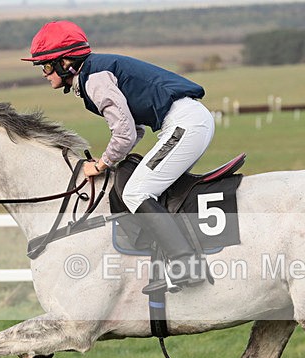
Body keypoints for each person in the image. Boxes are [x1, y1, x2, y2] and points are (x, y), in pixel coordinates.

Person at [23, 20, 214, 293]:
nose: (43, 72)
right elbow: (134, 130)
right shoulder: (92, 73)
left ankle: (186, 265)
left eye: (46, 65)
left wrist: (101, 164)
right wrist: (110, 158)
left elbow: (124, 133)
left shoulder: (95, 78)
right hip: (187, 122)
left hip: (185, 124)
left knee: (136, 191)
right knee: (150, 187)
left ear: (66, 62)